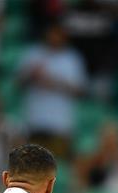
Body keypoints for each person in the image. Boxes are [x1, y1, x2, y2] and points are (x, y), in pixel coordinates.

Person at [17, 25, 87, 157]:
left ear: (64, 37)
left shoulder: (72, 58)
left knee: (56, 168)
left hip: (60, 125)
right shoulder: (33, 53)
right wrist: (32, 76)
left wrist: (55, 83)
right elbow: (19, 84)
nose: (54, 38)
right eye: (52, 34)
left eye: (58, 35)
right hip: (33, 121)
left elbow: (80, 92)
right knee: (31, 167)